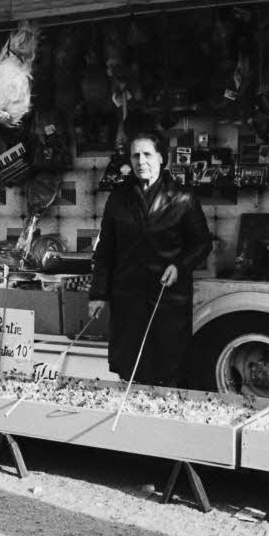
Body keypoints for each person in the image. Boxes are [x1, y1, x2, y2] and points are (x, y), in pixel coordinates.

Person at [89, 127, 213, 388]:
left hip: (168, 299)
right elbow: (106, 250)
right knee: (131, 368)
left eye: (147, 154)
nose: (140, 161)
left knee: (168, 367)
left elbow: (201, 244)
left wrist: (180, 266)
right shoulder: (119, 198)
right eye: (135, 156)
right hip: (128, 297)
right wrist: (98, 294)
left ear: (161, 158)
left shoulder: (183, 198)